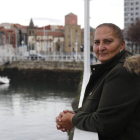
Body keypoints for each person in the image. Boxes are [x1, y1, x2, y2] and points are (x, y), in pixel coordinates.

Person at [55, 23, 140, 140]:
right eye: (97, 42)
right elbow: (102, 106)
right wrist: (74, 114)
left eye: (108, 41)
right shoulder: (110, 67)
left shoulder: (122, 72)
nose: (100, 47)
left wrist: (72, 119)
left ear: (122, 45)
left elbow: (105, 123)